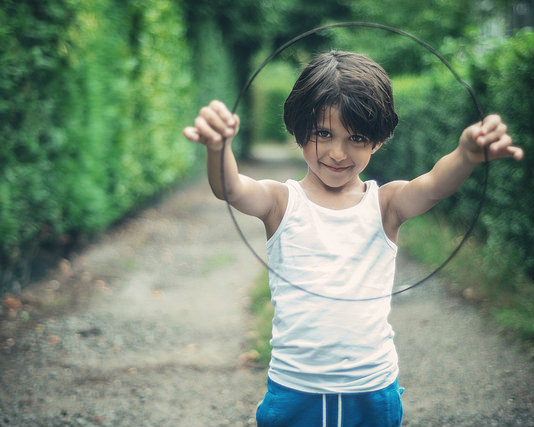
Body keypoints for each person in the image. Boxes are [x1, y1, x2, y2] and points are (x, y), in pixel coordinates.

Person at [183, 51, 523, 427]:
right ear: (299, 130)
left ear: (377, 141)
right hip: (295, 390)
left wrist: (466, 154)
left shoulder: (386, 204)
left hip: (373, 390)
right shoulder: (281, 202)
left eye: (356, 138)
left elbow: (433, 186)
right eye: (323, 134)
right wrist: (219, 147)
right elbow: (230, 188)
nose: (338, 153)